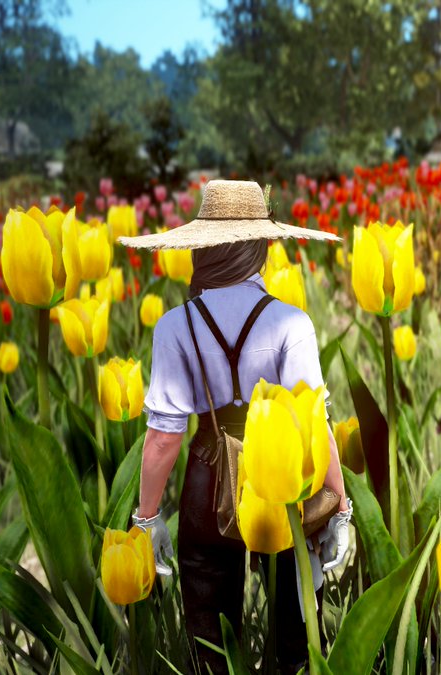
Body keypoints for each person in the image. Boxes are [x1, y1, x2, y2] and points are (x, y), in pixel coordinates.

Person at [119, 180, 351, 674]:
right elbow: (316, 423)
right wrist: (341, 508)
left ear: (201, 248)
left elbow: (163, 437)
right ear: (261, 248)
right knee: (295, 631)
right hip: (281, 481)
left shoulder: (175, 326)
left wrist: (147, 517)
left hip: (207, 481)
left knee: (208, 635)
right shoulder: (292, 323)